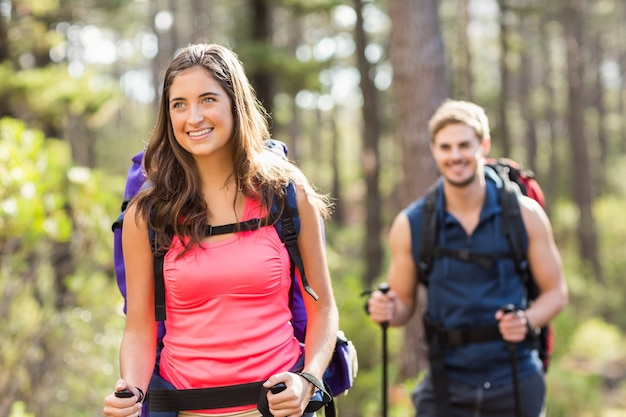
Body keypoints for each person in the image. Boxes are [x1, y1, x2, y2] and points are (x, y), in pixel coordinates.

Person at [103, 43, 339, 417]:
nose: (193, 117)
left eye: (207, 99)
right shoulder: (147, 215)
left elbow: (323, 308)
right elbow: (139, 329)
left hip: (279, 409)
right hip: (186, 409)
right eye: (179, 104)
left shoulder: (287, 194)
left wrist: (307, 380)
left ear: (235, 103)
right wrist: (130, 390)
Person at [367, 99, 567, 417]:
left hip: (516, 378)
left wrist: (527, 320)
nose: (455, 155)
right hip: (445, 384)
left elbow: (556, 293)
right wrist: (387, 309)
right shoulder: (412, 223)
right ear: (434, 150)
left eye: (464, 145)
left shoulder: (524, 214)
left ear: (483, 145)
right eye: (445, 147)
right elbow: (402, 308)